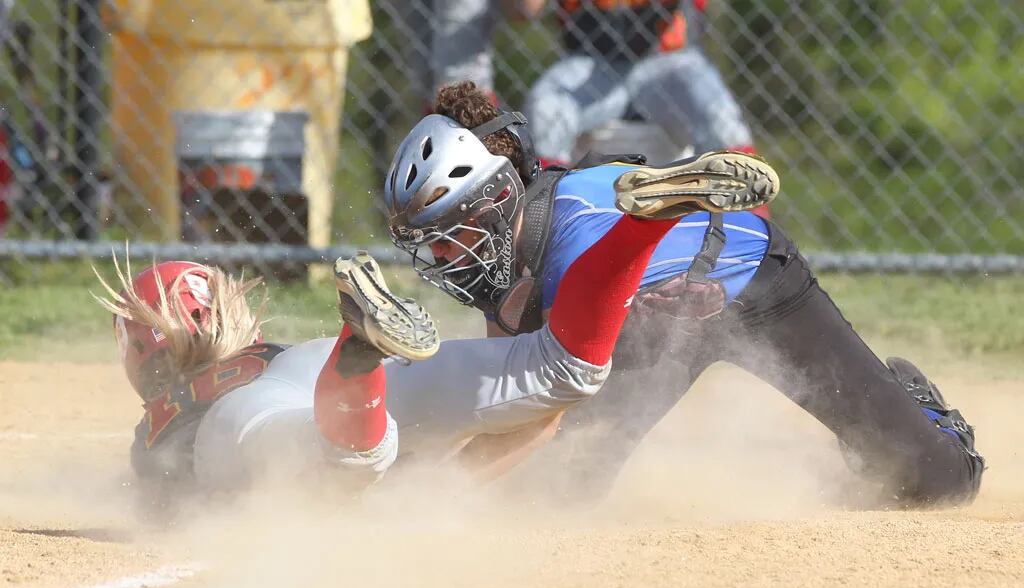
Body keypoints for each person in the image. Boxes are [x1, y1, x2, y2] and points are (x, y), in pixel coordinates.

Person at [381, 81, 985, 507]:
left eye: (448, 235)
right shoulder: (501, 253)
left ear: (496, 203)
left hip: (751, 281)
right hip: (653, 324)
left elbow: (535, 419)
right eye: (431, 240)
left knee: (932, 483)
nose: (438, 255)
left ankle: (917, 411)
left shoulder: (568, 242)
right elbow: (511, 393)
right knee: (556, 493)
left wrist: (432, 495)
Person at [92, 162, 734, 513]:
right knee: (562, 370)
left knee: (337, 464)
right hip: (315, 370)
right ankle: (642, 227)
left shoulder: (174, 418)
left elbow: (162, 504)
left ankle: (361, 349)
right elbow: (538, 420)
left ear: (146, 351)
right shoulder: (273, 353)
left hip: (272, 411)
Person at [519, 0, 769, 217]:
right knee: (545, 107)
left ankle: (750, 231)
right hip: (590, 61)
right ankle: (542, 224)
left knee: (717, 112)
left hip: (669, 61)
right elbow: (525, 10)